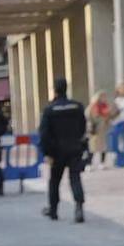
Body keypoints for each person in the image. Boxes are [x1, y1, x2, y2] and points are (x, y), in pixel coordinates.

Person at [38, 76, 90, 223]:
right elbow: (82, 127)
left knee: (55, 180)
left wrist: (47, 152)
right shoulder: (77, 106)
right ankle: (79, 207)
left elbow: (44, 133)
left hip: (57, 151)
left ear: (54, 90)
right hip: (74, 148)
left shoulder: (49, 109)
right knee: (75, 178)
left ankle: (53, 210)